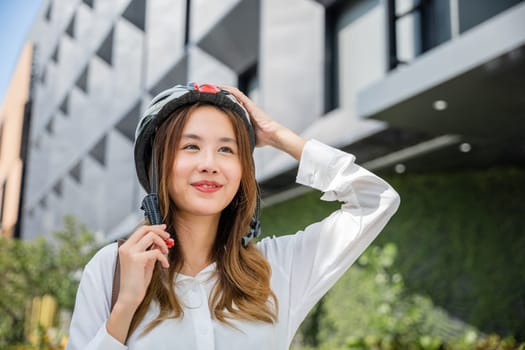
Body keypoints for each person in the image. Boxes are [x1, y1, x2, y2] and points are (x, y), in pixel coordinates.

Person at [66, 82, 400, 350]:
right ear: (157, 167)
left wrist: (281, 137)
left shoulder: (278, 268)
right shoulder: (114, 267)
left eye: (227, 149)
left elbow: (375, 201)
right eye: (191, 146)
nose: (210, 163)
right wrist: (125, 306)